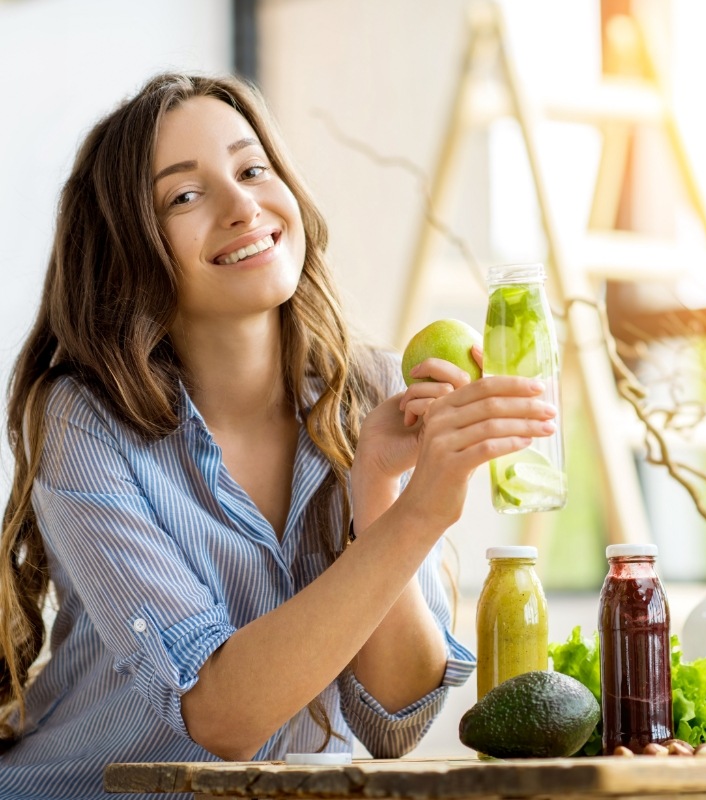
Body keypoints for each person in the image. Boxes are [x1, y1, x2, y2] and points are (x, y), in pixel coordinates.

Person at [0, 72, 557, 799]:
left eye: (252, 168)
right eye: (185, 196)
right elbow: (221, 715)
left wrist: (383, 495)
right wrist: (422, 514)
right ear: (127, 251)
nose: (242, 206)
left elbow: (393, 720)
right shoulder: (85, 421)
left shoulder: (378, 394)